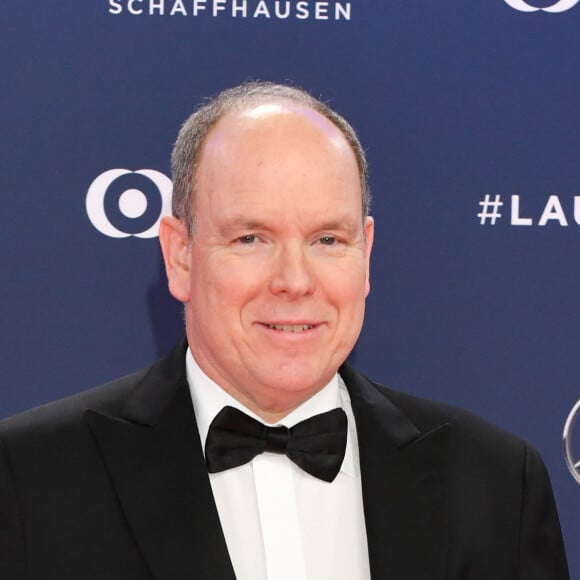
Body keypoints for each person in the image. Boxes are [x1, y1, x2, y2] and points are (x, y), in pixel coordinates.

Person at [0, 82, 569, 579]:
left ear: (365, 254)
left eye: (327, 240)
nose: (295, 281)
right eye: (251, 238)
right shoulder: (29, 481)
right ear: (180, 257)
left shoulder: (495, 485)